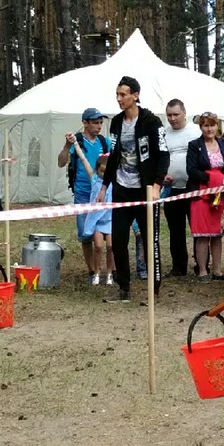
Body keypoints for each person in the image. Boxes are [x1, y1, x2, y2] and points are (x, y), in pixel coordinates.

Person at [98, 75, 167, 303]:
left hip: (145, 190)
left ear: (135, 96)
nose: (119, 99)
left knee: (150, 240)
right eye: (117, 95)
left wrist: (156, 185)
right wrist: (105, 185)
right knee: (117, 239)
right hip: (121, 189)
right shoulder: (117, 122)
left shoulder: (151, 122)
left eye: (123, 95)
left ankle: (154, 291)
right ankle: (123, 288)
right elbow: (114, 154)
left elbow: (163, 154)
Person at [60, 108, 113, 284]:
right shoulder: (78, 142)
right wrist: (67, 146)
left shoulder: (105, 143)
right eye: (95, 123)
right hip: (83, 192)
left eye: (100, 123)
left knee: (106, 230)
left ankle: (108, 270)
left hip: (104, 192)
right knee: (85, 233)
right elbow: (61, 162)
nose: (99, 126)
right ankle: (92, 271)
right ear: (85, 123)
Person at [186, 111, 224, 280]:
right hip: (202, 194)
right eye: (206, 125)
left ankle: (217, 270)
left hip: (220, 194)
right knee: (202, 236)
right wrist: (212, 179)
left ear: (217, 126)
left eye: (212, 125)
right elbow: (191, 170)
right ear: (201, 127)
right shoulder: (194, 145)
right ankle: (202, 271)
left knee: (217, 234)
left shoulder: (223, 143)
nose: (209, 129)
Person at [162, 99, 201, 276]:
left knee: (198, 229)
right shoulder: (164, 134)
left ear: (184, 112)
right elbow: (160, 159)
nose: (173, 118)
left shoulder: (195, 131)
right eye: (169, 115)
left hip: (193, 188)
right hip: (172, 190)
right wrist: (161, 176)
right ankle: (179, 266)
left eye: (176, 114)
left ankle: (201, 265)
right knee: (175, 230)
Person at [82, 154, 115, 284]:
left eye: (107, 172)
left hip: (111, 220)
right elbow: (85, 161)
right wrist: (76, 145)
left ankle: (110, 273)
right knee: (98, 247)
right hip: (97, 221)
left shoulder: (115, 181)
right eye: (101, 171)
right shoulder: (94, 179)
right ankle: (96, 272)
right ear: (97, 170)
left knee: (111, 247)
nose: (104, 174)